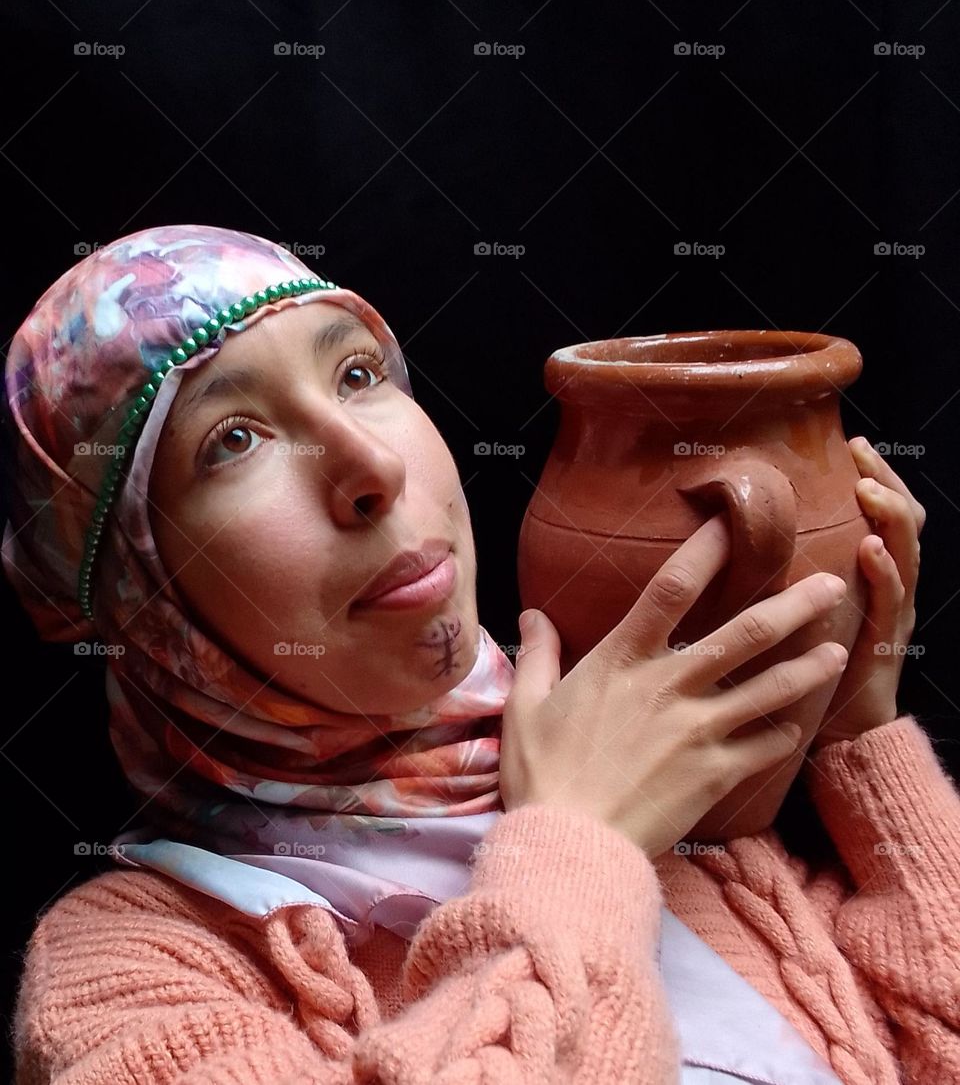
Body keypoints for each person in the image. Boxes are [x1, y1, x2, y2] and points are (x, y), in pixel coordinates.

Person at [3, 224, 957, 1085]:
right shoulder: (124, 977)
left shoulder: (672, 776)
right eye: (235, 438)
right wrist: (579, 842)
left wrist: (861, 740)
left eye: (358, 376)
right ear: (141, 586)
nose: (370, 467)